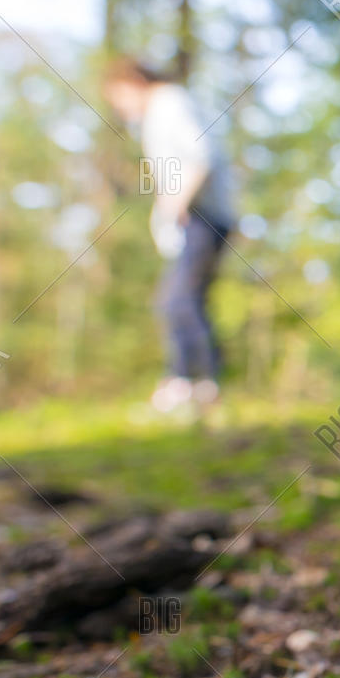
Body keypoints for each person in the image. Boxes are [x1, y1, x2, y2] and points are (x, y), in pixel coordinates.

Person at [102, 58, 236, 413]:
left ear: (133, 81)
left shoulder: (168, 103)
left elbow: (200, 156)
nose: (122, 108)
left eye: (120, 98)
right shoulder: (163, 108)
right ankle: (197, 386)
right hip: (197, 214)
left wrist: (175, 205)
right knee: (186, 299)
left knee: (177, 300)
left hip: (201, 215)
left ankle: (190, 384)